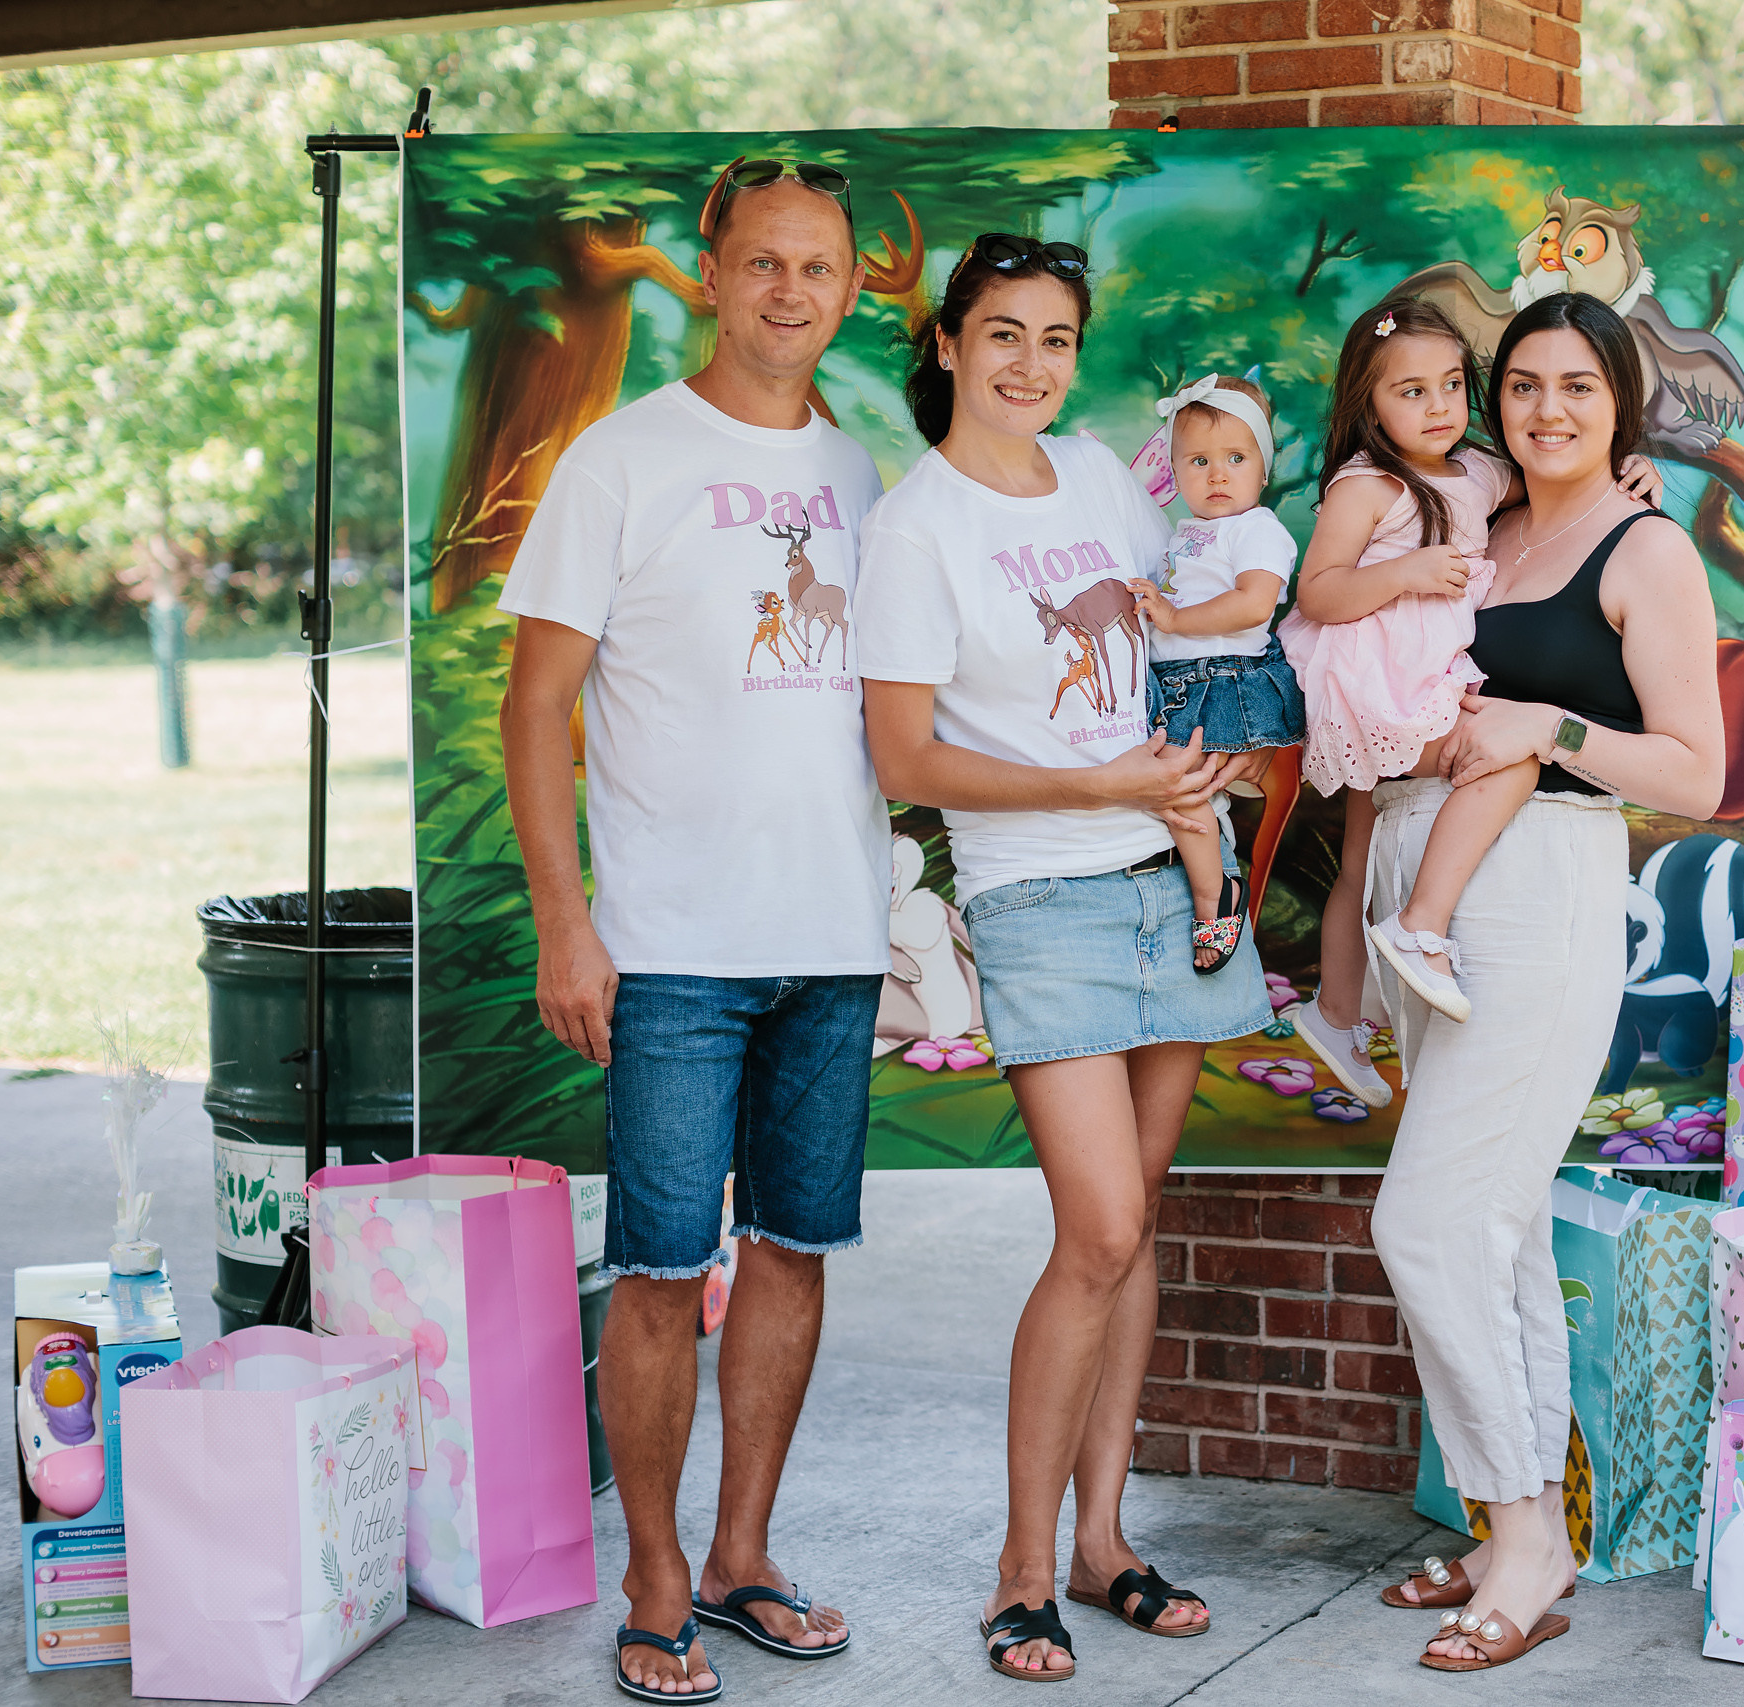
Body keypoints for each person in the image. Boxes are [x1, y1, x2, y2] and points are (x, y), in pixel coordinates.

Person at [852, 234, 1273, 1684]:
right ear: (949, 344)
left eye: (1057, 337)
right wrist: (1099, 787)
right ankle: (1019, 1569)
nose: (1032, 363)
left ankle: (1106, 1540)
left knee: (1133, 1223)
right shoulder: (915, 528)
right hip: (1046, 896)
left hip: (1177, 874)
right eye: (1005, 333)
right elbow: (905, 751)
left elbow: (1208, 585)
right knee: (1096, 1226)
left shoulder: (1100, 474)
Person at [499, 157, 888, 1704]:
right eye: (766, 262)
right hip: (666, 948)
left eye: (822, 267)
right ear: (711, 272)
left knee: (793, 1254)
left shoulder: (868, 478)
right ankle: (653, 1576)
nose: (793, 291)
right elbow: (535, 706)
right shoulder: (621, 461)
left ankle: (741, 1554)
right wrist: (565, 924)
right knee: (662, 1266)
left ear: (853, 287)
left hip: (834, 940)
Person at [1365, 292, 1728, 1675]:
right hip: (1426, 897)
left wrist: (1551, 723)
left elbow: (1696, 773)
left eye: (1578, 385)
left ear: (1620, 401)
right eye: (1523, 384)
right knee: (1500, 1232)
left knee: (1429, 1223)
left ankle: (1523, 1530)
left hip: (1540, 895)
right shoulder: (1479, 527)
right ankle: (1512, 1519)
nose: (1547, 409)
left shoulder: (1648, 549)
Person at [1278, 300, 1662, 1099]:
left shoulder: (1479, 472)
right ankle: (1422, 923)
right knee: (1512, 750)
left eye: (1451, 385)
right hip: (1373, 681)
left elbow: (1565, 471)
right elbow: (1315, 592)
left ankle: (1337, 1011)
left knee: (1356, 855)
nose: (1439, 406)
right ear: (1368, 403)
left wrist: (1632, 470)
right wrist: (1406, 574)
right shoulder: (1369, 483)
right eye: (1411, 391)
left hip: (1420, 674)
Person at [1124, 373, 1306, 972]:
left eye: (1235, 457)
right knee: (1175, 789)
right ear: (1175, 471)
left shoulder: (1258, 529)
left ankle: (1216, 894)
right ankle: (1207, 884)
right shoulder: (1188, 534)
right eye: (1199, 460)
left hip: (1227, 680)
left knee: (1183, 788)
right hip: (1182, 683)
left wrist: (1172, 618)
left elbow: (1255, 604)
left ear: (1263, 467)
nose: (1218, 475)